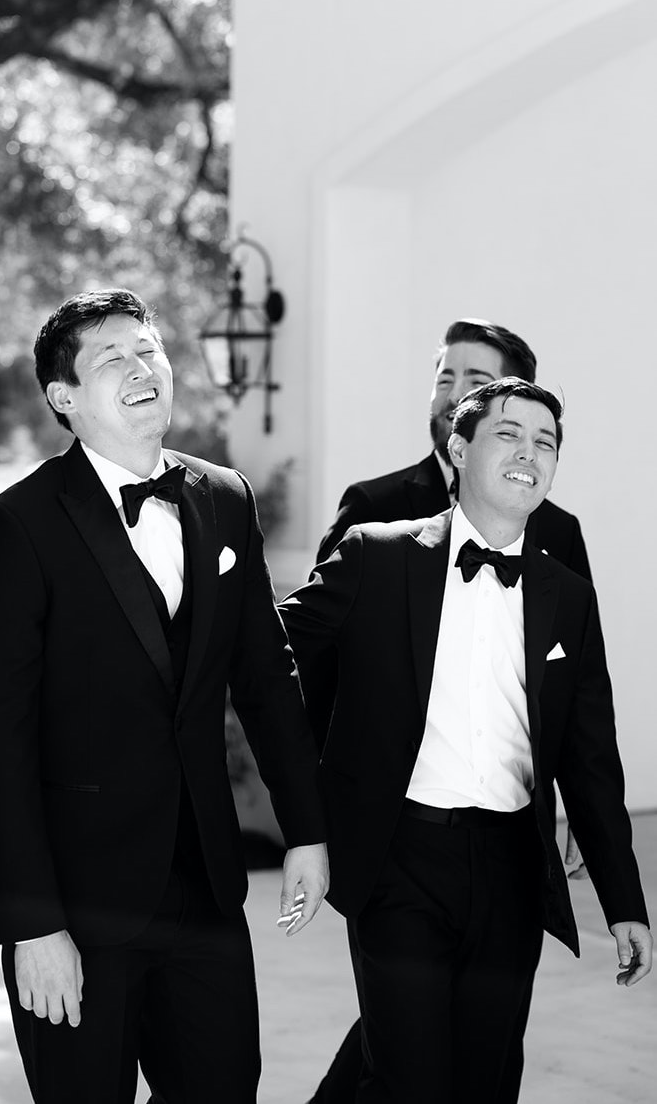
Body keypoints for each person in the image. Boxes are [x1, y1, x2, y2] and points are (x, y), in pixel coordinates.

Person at [0, 288, 328, 1103]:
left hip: (204, 891)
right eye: (110, 359)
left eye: (147, 350)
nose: (139, 368)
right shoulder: (14, 528)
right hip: (74, 906)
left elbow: (266, 677)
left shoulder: (224, 497)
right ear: (65, 400)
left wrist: (306, 828)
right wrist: (32, 924)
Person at [280, 377, 651, 1104]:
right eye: (508, 435)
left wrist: (623, 902)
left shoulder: (567, 596)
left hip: (513, 868)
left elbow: (588, 758)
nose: (529, 453)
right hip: (399, 859)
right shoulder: (376, 556)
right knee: (406, 1078)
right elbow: (270, 657)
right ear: (457, 449)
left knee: (487, 1079)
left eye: (544, 442)